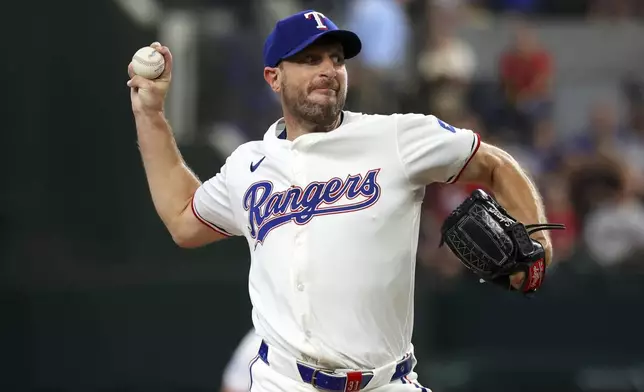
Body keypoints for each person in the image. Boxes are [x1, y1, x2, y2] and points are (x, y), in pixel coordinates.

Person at [127, 9, 554, 392]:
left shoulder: (396, 137)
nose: (328, 69)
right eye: (310, 60)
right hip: (282, 380)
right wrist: (150, 115)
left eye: (336, 59)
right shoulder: (248, 165)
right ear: (273, 77)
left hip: (385, 382)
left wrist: (539, 240)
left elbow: (494, 163)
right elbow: (184, 219)